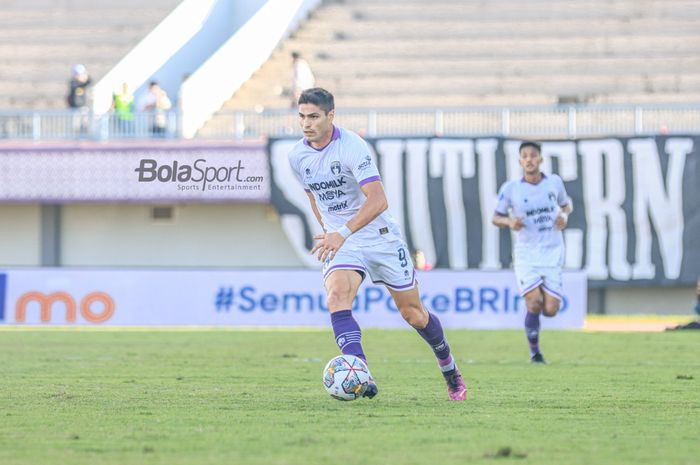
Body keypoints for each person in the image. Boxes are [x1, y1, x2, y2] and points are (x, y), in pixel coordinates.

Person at [287, 88, 467, 401]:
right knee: (336, 296)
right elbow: (313, 196)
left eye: (314, 116)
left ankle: (450, 370)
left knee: (414, 315)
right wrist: (330, 231)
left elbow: (379, 200)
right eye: (302, 116)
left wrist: (341, 231)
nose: (307, 123)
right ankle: (361, 375)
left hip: (378, 236)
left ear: (331, 115)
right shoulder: (296, 156)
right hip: (342, 239)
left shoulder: (352, 146)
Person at [492, 141, 572, 364]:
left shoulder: (554, 182)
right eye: (525, 156)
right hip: (527, 253)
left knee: (551, 309)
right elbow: (495, 217)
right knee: (534, 302)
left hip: (553, 251)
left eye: (533, 155)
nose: (529, 159)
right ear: (520, 161)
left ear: (540, 159)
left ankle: (535, 313)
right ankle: (535, 353)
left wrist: (564, 216)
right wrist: (510, 222)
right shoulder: (511, 189)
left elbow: (566, 205)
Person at [66, 64, 91, 134]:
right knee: (75, 125)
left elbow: (88, 82)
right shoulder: (73, 83)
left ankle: (85, 135)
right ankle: (76, 138)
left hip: (83, 106)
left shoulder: (83, 83)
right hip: (75, 107)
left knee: (85, 123)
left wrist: (86, 76)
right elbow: (79, 85)